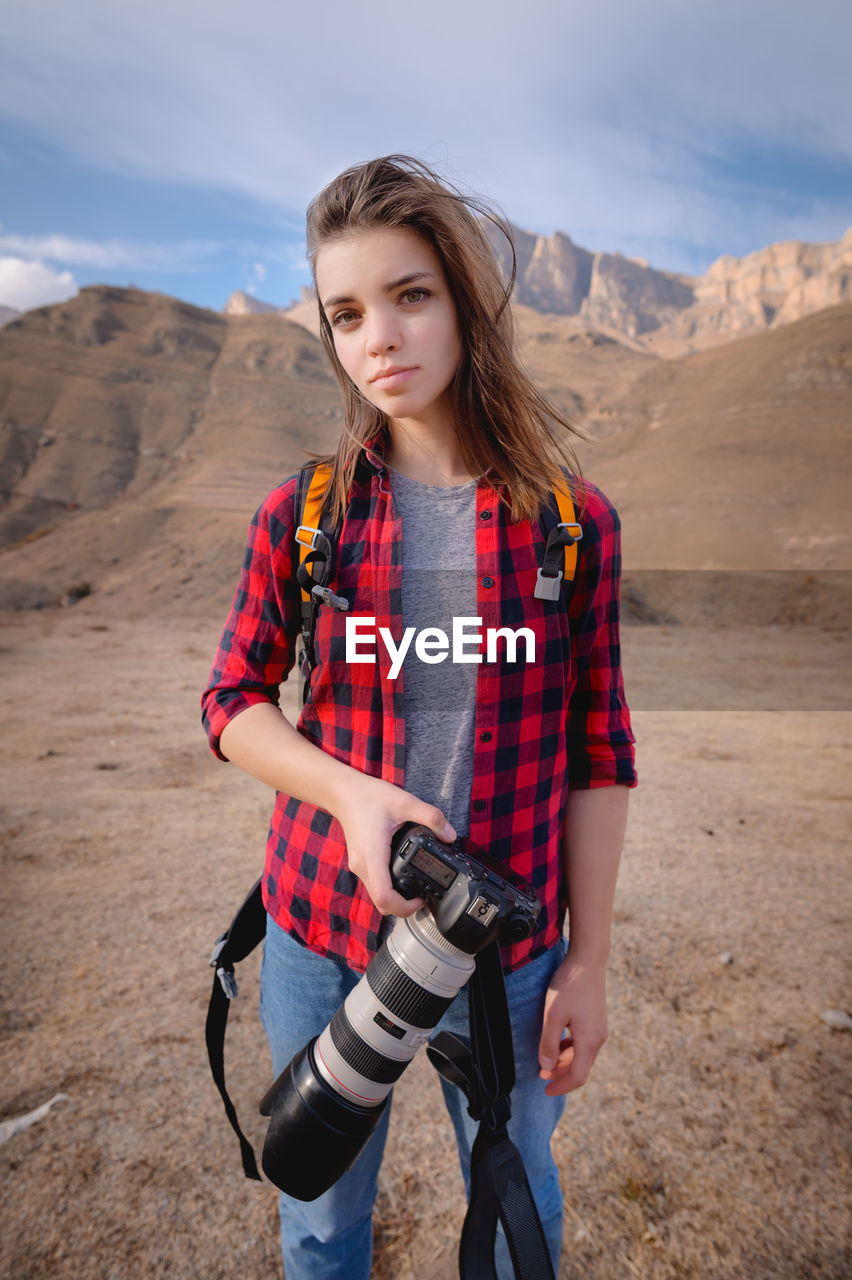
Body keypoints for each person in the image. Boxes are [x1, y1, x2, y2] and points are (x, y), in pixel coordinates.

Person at [202, 155, 637, 1279]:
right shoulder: (307, 515)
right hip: (321, 941)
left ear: (463, 304)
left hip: (511, 964)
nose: (379, 337)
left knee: (516, 1219)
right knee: (321, 1219)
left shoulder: (572, 525)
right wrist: (348, 794)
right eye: (347, 313)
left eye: (410, 295)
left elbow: (601, 751)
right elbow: (233, 700)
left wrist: (589, 958)